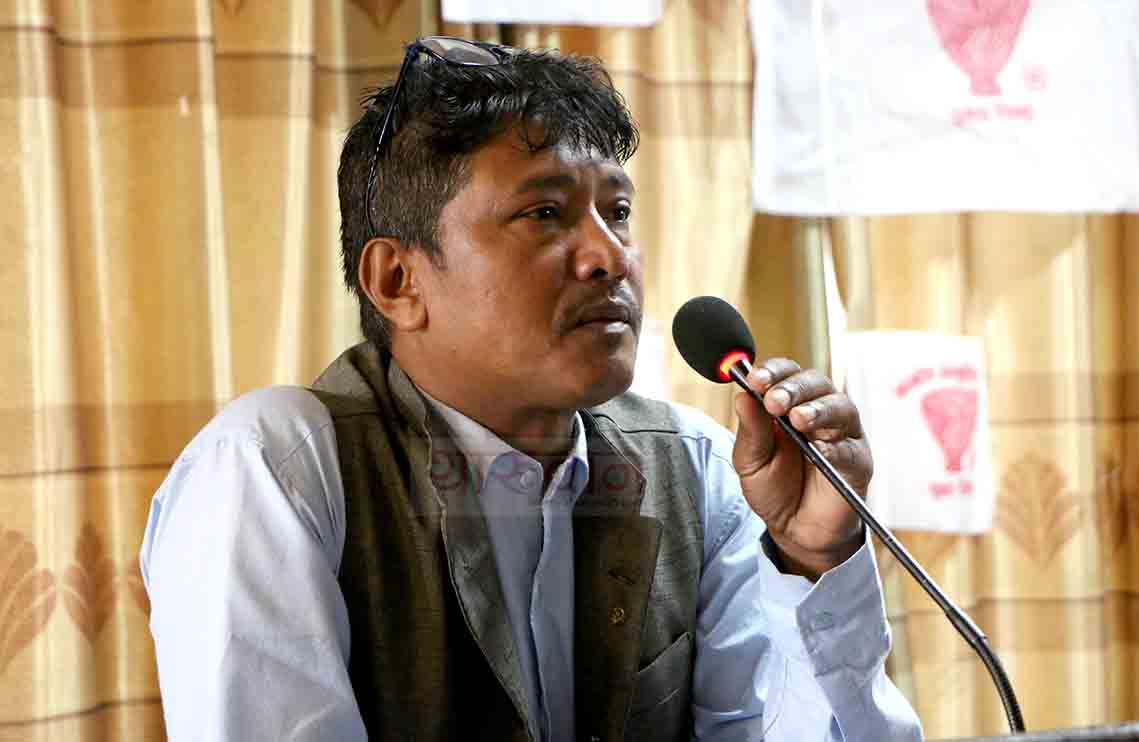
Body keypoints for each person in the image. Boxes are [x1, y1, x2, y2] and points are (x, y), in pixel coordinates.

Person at [140, 37, 923, 741]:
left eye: (618, 211)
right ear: (399, 280)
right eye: (544, 213)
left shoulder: (699, 468)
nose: (610, 257)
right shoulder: (275, 470)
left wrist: (810, 557)